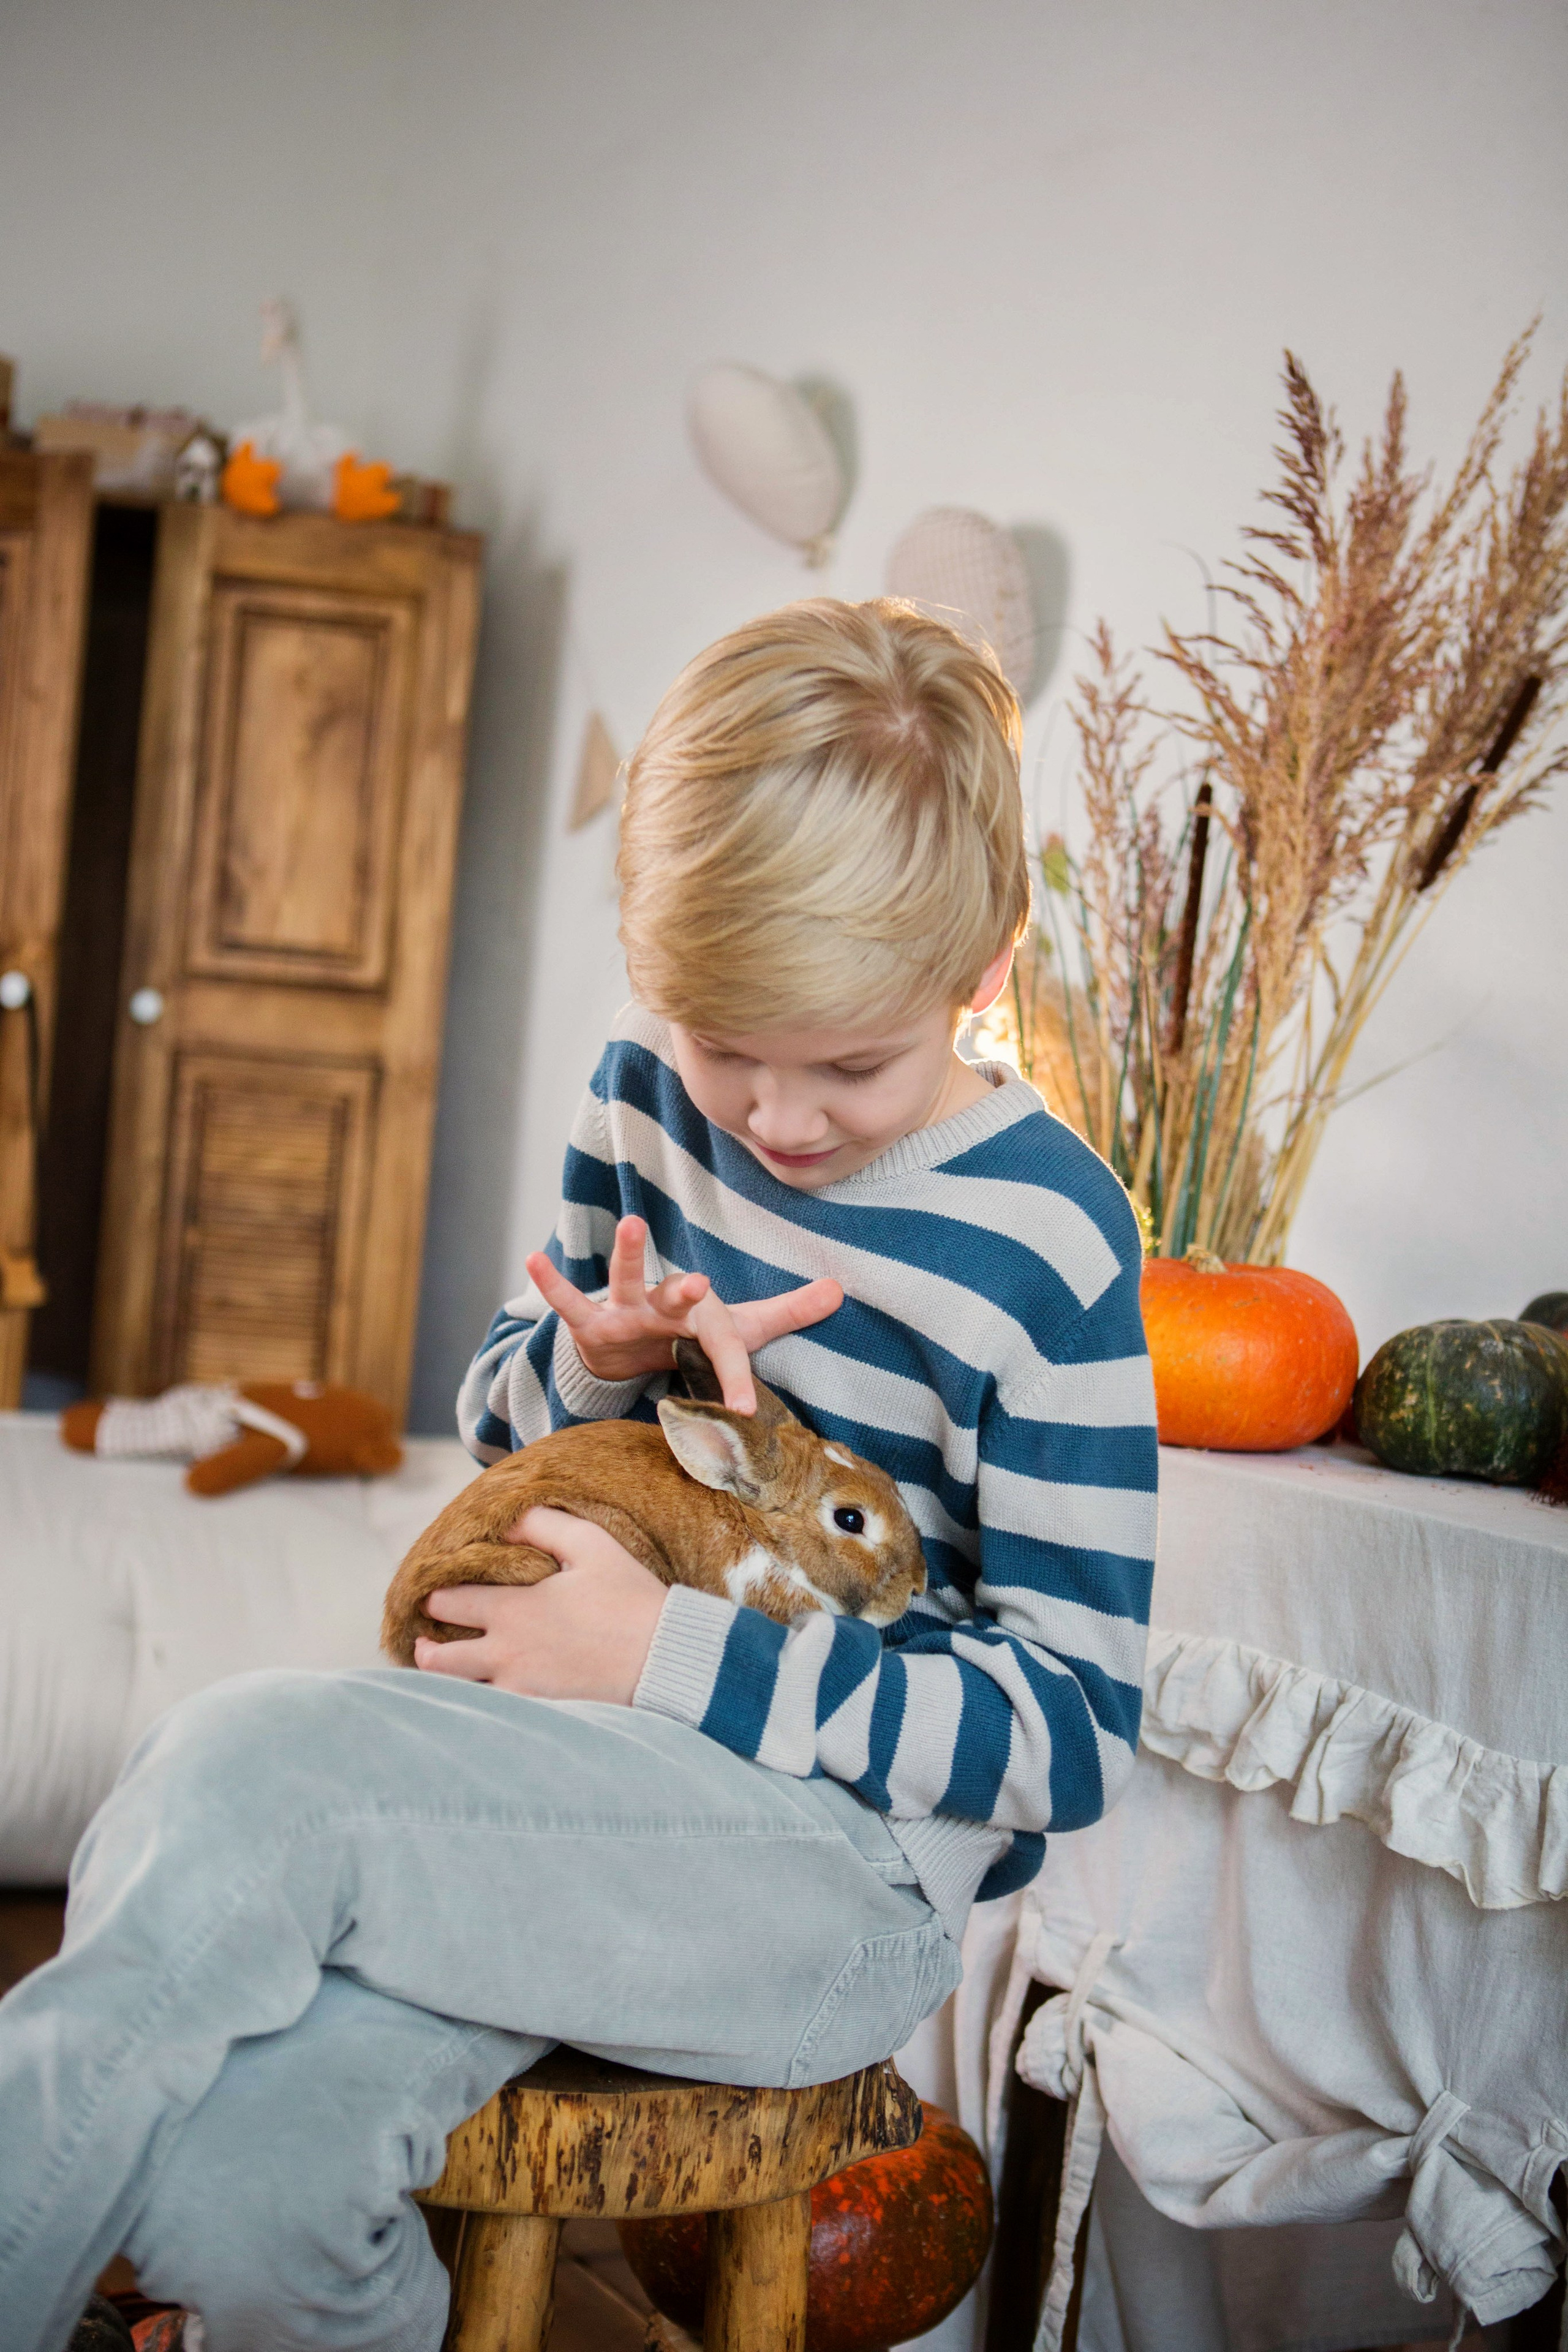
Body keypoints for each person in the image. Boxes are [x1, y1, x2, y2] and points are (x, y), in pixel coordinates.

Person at [0, 599, 1157, 2352]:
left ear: (984, 970)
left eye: (851, 1065)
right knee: (245, 2190)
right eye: (721, 1049)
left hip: (831, 1887)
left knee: (252, 1763)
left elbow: (1076, 1734)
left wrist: (666, 1658)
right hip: (558, 1799)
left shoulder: (1049, 1239)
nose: (773, 1120)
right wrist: (592, 1365)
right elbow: (499, 1420)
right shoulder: (643, 1082)